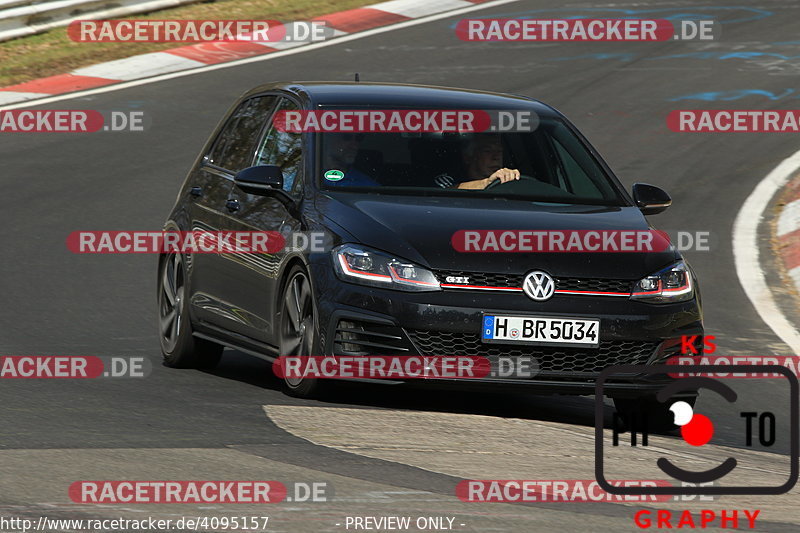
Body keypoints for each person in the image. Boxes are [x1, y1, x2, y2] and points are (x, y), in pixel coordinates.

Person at [455, 134, 520, 190]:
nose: (496, 157)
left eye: (499, 151)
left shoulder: (509, 182)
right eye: (488, 151)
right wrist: (487, 183)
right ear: (468, 157)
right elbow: (448, 190)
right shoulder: (450, 180)